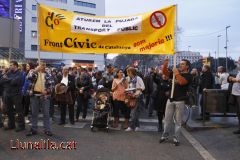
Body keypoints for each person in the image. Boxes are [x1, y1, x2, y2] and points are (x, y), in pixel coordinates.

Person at [159, 59, 192, 146]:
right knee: (167, 119)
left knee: (178, 121)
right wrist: (165, 65)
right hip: (170, 99)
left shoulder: (189, 75)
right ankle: (165, 135)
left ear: (187, 66)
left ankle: (176, 138)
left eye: (183, 64)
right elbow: (165, 73)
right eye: (180, 64)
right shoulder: (175, 73)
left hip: (180, 100)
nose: (180, 65)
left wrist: (176, 73)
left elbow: (181, 82)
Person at [26, 62, 54, 136]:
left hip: (44, 96)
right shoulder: (32, 71)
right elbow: (28, 77)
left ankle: (47, 130)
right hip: (34, 95)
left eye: (44, 65)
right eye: (41, 64)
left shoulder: (48, 73)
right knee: (34, 113)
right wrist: (35, 71)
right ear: (38, 65)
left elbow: (52, 85)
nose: (42, 66)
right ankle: (33, 129)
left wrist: (47, 91)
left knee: (46, 114)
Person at [0, 61, 25, 132]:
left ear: (15, 66)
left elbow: (16, 82)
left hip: (16, 94)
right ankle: (11, 125)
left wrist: (7, 80)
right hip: (7, 94)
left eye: (11, 65)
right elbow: (1, 80)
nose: (9, 66)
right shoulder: (8, 73)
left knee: (19, 111)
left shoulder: (20, 73)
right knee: (9, 110)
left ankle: (21, 126)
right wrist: (10, 80)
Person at [125, 67, 145, 132]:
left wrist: (137, 89)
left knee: (133, 113)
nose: (127, 73)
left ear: (131, 72)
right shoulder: (128, 79)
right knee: (134, 113)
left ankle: (131, 127)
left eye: (128, 72)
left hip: (138, 97)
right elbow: (128, 87)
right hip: (131, 97)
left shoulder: (138, 78)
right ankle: (137, 126)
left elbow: (143, 87)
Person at [228, 57, 240, 135]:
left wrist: (233, 79)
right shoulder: (239, 71)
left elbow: (238, 80)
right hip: (236, 94)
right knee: (238, 113)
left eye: (239, 60)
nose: (238, 61)